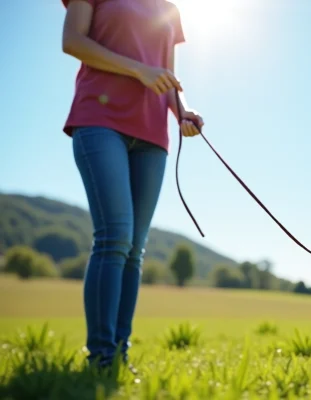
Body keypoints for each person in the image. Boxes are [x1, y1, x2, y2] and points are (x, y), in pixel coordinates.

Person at [60, 0, 203, 371]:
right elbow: (72, 41)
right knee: (113, 238)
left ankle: (119, 354)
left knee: (134, 249)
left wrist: (183, 110)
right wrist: (138, 69)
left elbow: (168, 78)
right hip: (99, 119)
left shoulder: (169, 9)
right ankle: (102, 357)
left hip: (153, 136)